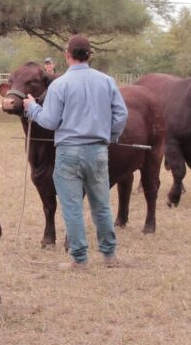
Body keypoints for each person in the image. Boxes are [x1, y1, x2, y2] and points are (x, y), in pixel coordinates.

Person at [22, 35, 128, 269]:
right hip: (98, 151)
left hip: (68, 152)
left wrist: (32, 108)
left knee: (72, 207)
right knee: (101, 205)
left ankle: (79, 259)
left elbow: (50, 121)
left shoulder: (59, 85)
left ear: (67, 55)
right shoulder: (107, 81)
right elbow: (121, 115)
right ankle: (109, 256)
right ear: (90, 55)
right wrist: (109, 137)